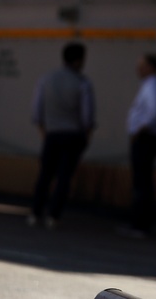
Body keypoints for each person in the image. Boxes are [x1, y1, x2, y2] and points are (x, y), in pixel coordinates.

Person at [29, 42, 95, 229]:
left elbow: (36, 111)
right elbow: (87, 116)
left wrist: (44, 131)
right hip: (73, 135)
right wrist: (86, 136)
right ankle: (54, 215)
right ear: (79, 60)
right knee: (64, 177)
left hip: (52, 133)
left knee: (45, 174)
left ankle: (35, 212)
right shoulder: (83, 83)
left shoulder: (46, 79)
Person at [120, 53, 156, 238]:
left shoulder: (153, 87)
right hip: (146, 137)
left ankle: (141, 224)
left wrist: (140, 130)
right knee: (141, 181)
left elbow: (154, 112)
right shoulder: (150, 86)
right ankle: (138, 223)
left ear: (152, 67)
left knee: (142, 182)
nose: (139, 69)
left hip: (146, 138)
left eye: (143, 65)